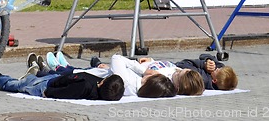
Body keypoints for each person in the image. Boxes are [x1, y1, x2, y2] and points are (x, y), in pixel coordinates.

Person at [43, 53, 176, 98]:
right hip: (94, 73)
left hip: (85, 75)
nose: (152, 72)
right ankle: (58, 67)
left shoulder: (126, 80)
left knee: (57, 76)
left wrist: (141, 69)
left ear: (150, 80)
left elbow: (116, 57)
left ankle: (51, 69)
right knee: (75, 70)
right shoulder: (137, 86)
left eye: (154, 75)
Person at [0, 66, 125, 101]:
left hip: (46, 86)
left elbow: (66, 92)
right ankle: (38, 71)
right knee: (29, 80)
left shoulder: (85, 86)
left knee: (20, 85)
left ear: (103, 83)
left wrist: (48, 93)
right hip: (55, 78)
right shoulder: (95, 86)